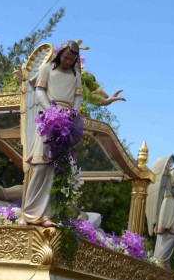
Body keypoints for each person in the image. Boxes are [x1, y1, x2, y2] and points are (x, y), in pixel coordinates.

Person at [20, 40, 124, 226]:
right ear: (60, 55)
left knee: (56, 169)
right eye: (66, 57)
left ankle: (46, 215)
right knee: (41, 165)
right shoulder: (47, 69)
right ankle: (28, 214)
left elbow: (78, 97)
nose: (68, 61)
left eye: (72, 59)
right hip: (49, 120)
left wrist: (72, 113)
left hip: (66, 122)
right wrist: (51, 110)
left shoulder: (75, 75)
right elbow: (39, 91)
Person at [150, 163, 174, 267]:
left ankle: (157, 261)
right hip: (171, 204)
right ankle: (161, 262)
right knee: (170, 234)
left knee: (163, 234)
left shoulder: (169, 173)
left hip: (166, 204)